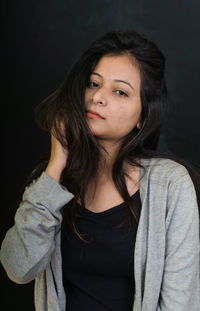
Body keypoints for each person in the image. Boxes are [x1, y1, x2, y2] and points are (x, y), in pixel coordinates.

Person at [0, 30, 199, 311]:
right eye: (93, 84)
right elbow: (18, 270)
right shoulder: (49, 182)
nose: (98, 98)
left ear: (143, 117)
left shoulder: (170, 185)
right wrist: (56, 165)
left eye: (120, 91)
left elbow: (181, 303)